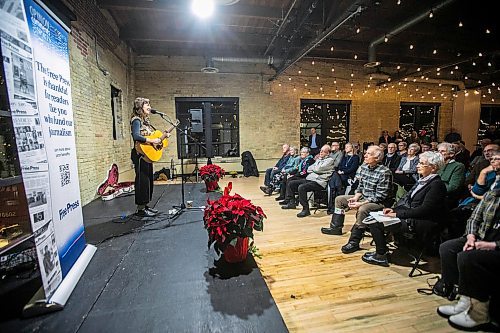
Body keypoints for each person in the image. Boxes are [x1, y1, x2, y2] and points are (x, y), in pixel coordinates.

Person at [436, 177, 500, 330]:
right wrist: (471, 236)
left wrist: (491, 245)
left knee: (468, 258)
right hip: (481, 237)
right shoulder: (493, 193)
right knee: (448, 248)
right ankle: (464, 300)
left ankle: (479, 314)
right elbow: (474, 218)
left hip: (496, 245)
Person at [364, 151, 447, 267]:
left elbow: (425, 210)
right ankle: (383, 251)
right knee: (372, 218)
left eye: (422, 163)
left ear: (433, 168)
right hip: (412, 216)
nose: (417, 165)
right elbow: (408, 201)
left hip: (422, 222)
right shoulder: (423, 181)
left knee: (375, 223)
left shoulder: (436, 185)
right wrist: (394, 210)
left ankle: (381, 255)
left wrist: (398, 215)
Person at [321, 146, 393, 255]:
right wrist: (355, 198)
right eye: (366, 153)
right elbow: (360, 187)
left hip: (378, 202)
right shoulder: (365, 167)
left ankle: (354, 241)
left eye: (369, 154)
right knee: (340, 200)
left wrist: (361, 203)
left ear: (377, 158)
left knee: (363, 209)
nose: (365, 155)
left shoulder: (384, 172)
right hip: (364, 197)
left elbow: (380, 196)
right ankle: (336, 227)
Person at [130, 97, 168, 217]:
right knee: (142, 182)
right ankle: (140, 209)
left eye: (149, 104)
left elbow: (153, 139)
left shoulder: (145, 122)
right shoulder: (136, 120)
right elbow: (136, 136)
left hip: (147, 155)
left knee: (148, 181)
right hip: (140, 155)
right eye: (147, 104)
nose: (149, 106)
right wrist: (151, 139)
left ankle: (145, 206)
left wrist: (162, 137)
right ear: (140, 107)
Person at [282, 145, 335, 218]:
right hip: (310, 179)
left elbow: (318, 169)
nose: (321, 152)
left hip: (319, 182)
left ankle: (305, 209)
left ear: (328, 153)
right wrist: (315, 169)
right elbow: (309, 169)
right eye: (320, 151)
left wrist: (315, 169)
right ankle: (291, 202)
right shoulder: (319, 159)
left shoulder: (330, 160)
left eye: (323, 151)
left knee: (302, 187)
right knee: (291, 183)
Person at [327, 142, 360, 213]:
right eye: (345, 147)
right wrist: (340, 171)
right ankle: (336, 189)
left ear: (352, 148)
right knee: (335, 175)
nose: (346, 148)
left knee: (334, 177)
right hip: (340, 175)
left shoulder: (355, 157)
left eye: (347, 147)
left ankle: (331, 206)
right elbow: (340, 166)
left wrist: (343, 172)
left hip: (349, 175)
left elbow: (353, 168)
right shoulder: (344, 157)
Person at [437, 142, 466, 208]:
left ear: (451, 154)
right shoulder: (437, 165)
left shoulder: (458, 166)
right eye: (438, 151)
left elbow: (453, 187)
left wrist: (434, 189)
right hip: (435, 195)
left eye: (443, 151)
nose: (439, 153)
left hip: (447, 198)